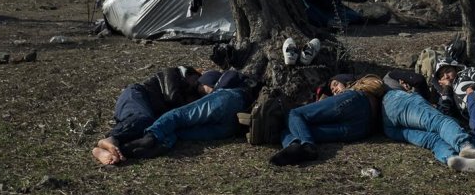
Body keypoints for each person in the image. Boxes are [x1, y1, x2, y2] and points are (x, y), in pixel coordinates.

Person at [106, 69, 251, 162]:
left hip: (231, 110)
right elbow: (175, 100)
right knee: (145, 121)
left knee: (170, 123)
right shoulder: (177, 77)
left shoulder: (215, 92)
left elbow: (183, 114)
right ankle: (113, 141)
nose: (202, 90)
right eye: (200, 87)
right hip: (137, 96)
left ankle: (138, 144)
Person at [381, 70, 475, 173]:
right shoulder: (391, 76)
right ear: (402, 81)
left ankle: (452, 158)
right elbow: (418, 79)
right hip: (398, 100)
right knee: (439, 121)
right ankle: (466, 146)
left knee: (432, 139)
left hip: (387, 124)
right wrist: (425, 100)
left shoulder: (381, 94)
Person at [91, 65, 203, 165]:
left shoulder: (188, 92)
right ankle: (110, 138)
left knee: (148, 135)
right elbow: (171, 96)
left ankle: (109, 151)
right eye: (197, 79)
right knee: (142, 118)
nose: (197, 83)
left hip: (148, 111)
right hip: (136, 95)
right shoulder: (174, 72)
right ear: (191, 73)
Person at [269, 74, 386, 166]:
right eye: (332, 89)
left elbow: (298, 114)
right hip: (363, 129)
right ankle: (294, 146)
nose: (334, 89)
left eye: (336, 84)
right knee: (295, 130)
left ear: (347, 81)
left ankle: (308, 146)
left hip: (356, 102)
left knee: (293, 113)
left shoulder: (354, 93)